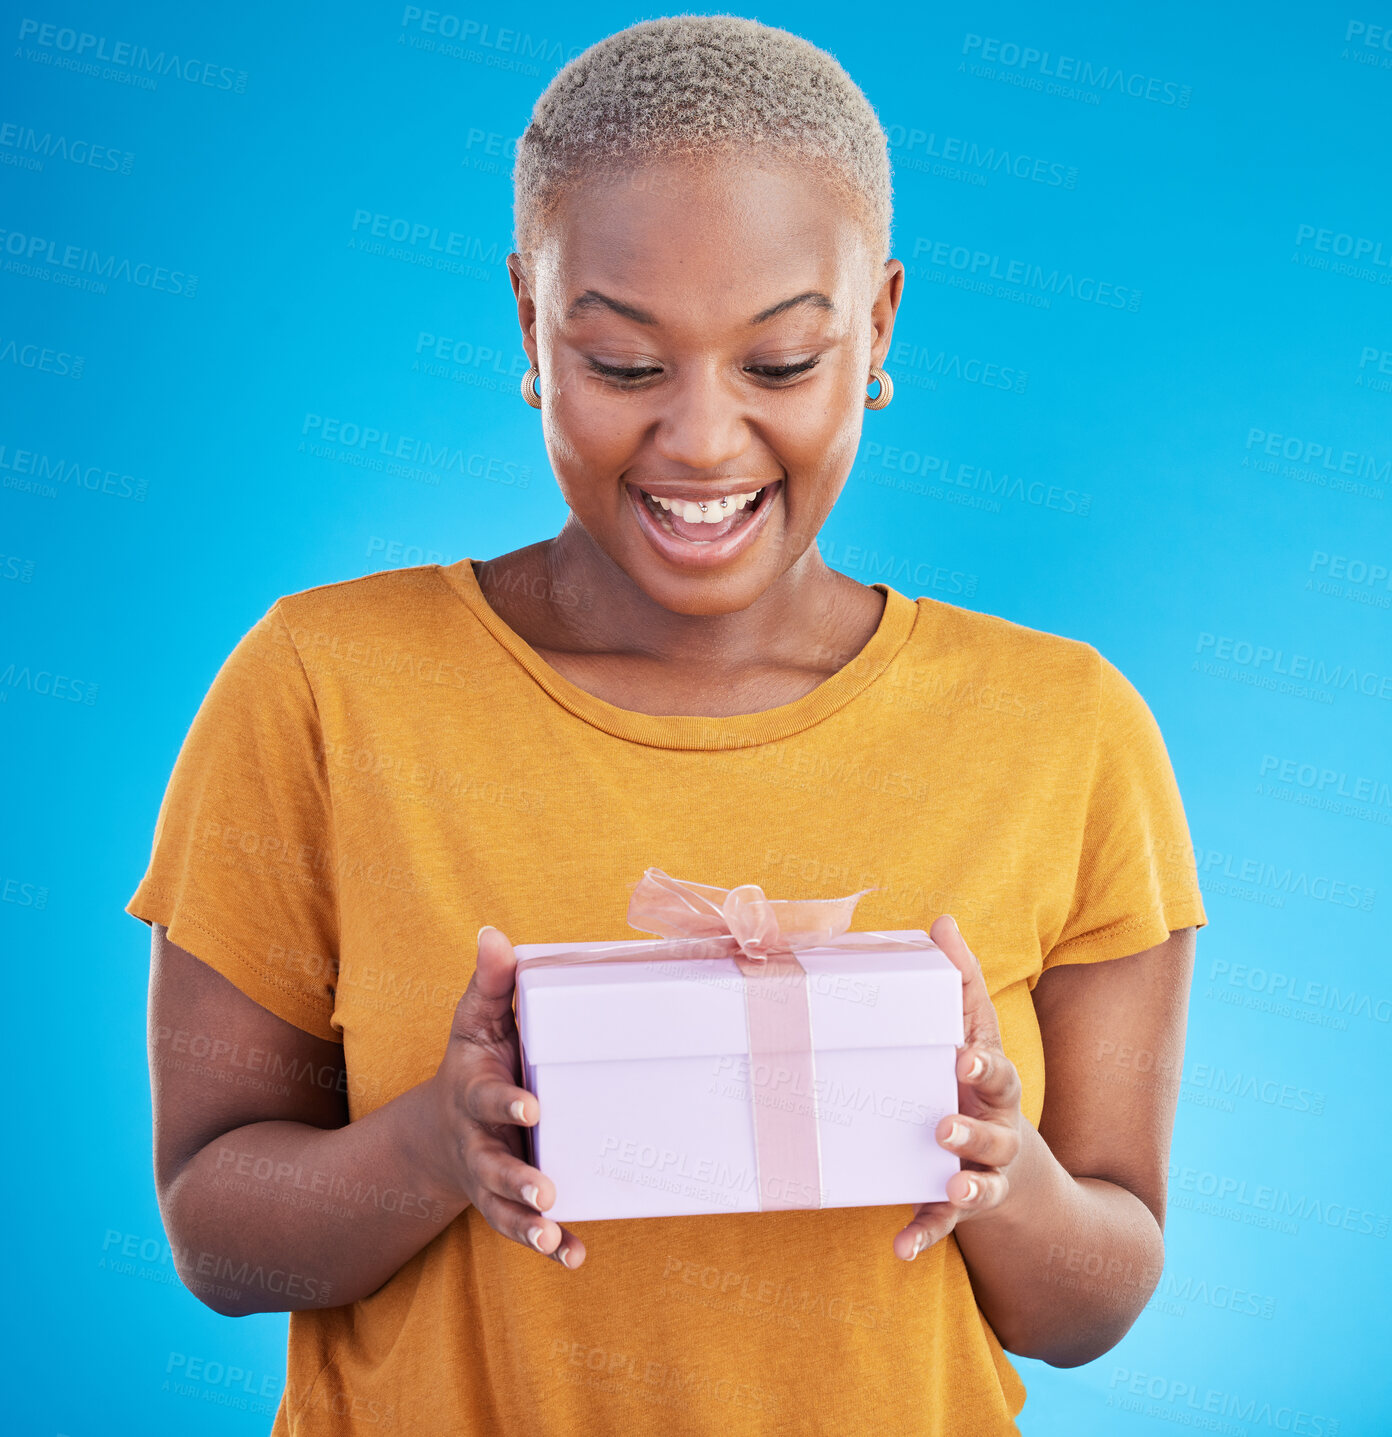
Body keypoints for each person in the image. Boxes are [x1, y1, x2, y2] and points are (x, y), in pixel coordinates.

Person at [129, 15, 1207, 1435]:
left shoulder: (1065, 731)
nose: (701, 440)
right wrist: (437, 1147)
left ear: (877, 326)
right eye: (628, 365)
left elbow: (1096, 1301)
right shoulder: (325, 686)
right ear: (531, 324)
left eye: (779, 364)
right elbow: (219, 1238)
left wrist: (1006, 1174)